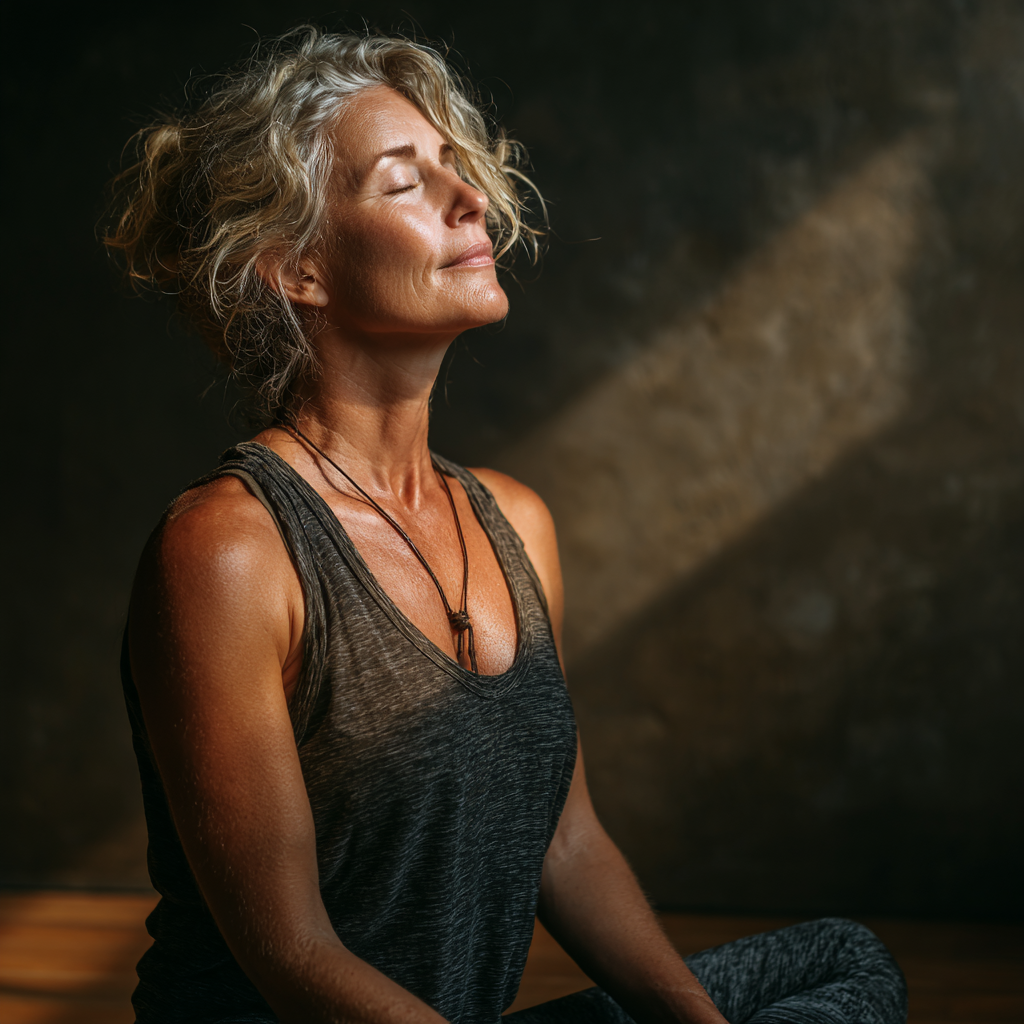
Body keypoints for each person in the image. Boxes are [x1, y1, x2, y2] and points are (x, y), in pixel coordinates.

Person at [105, 27, 908, 1024]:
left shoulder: (511, 519)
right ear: (297, 267)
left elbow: (564, 845)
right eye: (406, 182)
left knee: (841, 962)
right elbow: (290, 954)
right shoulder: (228, 552)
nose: (469, 197)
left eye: (457, 166)